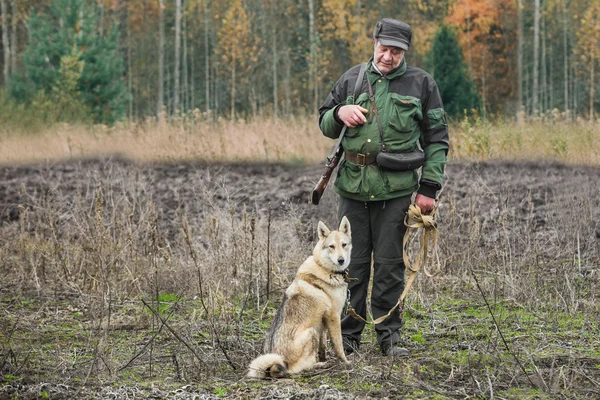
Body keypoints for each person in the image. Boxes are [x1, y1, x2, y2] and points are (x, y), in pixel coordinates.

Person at [318, 18, 449, 357]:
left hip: (396, 190)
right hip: (353, 188)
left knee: (390, 264)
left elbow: (437, 139)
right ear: (374, 42)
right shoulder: (352, 78)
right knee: (351, 264)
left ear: (405, 51)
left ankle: (388, 337)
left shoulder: (422, 83)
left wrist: (429, 189)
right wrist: (340, 112)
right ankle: (347, 336)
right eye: (384, 48)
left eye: (396, 51)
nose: (388, 56)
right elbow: (324, 121)